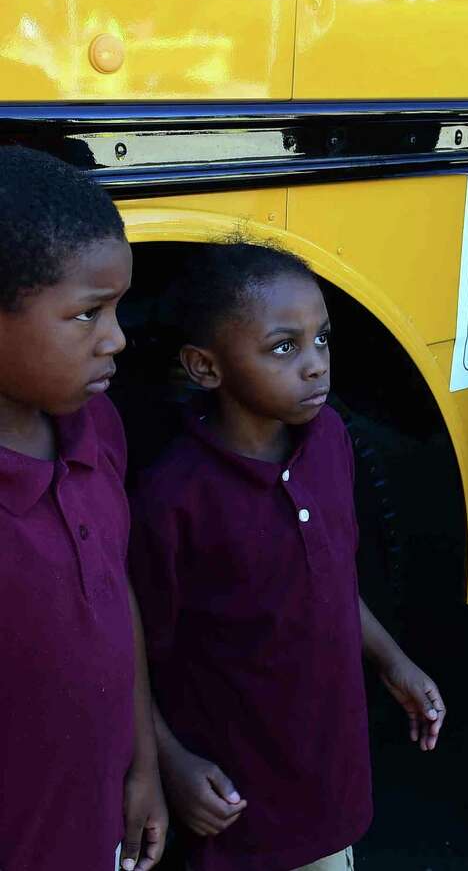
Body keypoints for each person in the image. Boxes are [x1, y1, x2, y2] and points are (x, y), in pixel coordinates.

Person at [128, 242, 445, 871]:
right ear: (205, 367)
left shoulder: (329, 440)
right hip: (236, 800)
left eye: (322, 339)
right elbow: (131, 647)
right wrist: (171, 762)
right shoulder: (174, 499)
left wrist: (392, 659)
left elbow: (328, 577)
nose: (316, 366)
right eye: (284, 347)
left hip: (329, 779)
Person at [0, 146, 167, 871]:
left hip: (98, 826)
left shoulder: (96, 431)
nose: (118, 337)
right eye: (87, 314)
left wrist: (145, 768)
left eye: (119, 308)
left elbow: (110, 589)